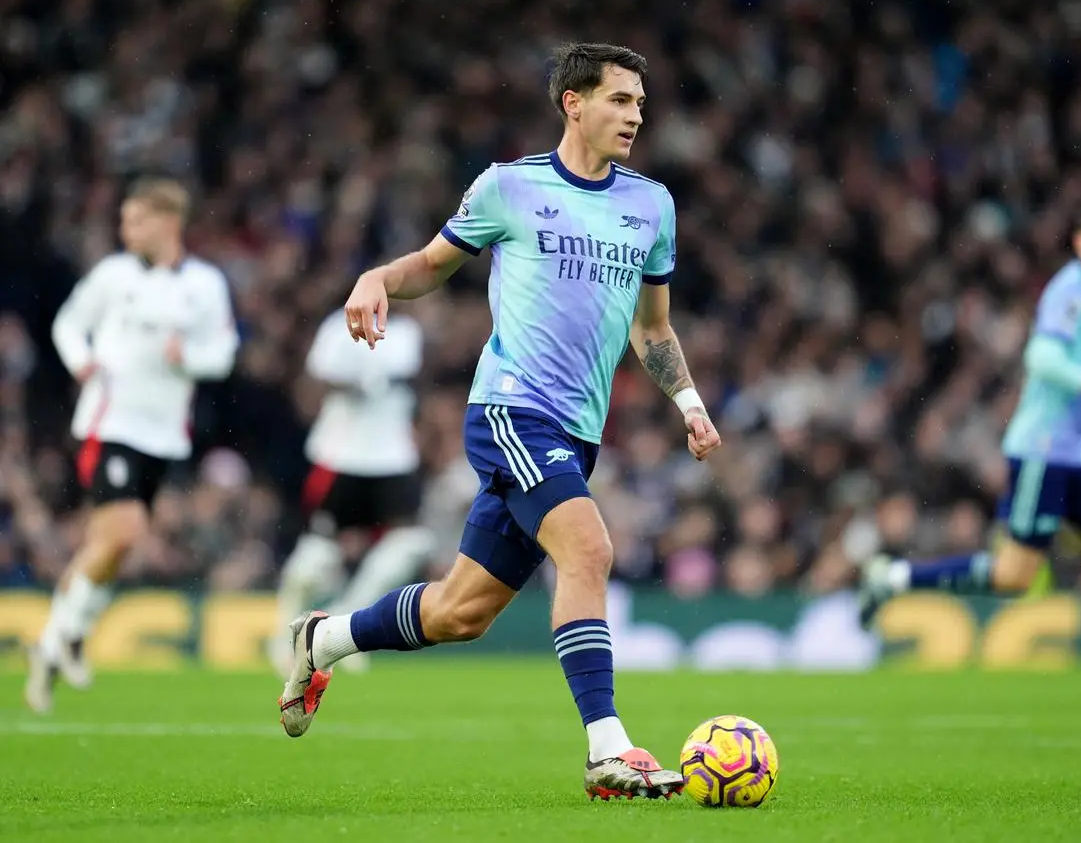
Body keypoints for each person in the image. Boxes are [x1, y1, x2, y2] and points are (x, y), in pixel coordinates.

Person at [276, 42, 722, 799]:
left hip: (578, 432)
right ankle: (607, 750)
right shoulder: (509, 188)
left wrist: (689, 402)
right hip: (512, 410)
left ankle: (322, 639)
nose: (636, 116)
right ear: (573, 103)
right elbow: (431, 264)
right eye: (620, 99)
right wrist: (376, 278)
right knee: (589, 550)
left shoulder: (652, 205)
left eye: (641, 103)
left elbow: (653, 328)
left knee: (462, 612)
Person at [858, 198, 1081, 715]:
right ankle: (893, 578)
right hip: (1043, 454)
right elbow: (1040, 357)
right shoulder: (1071, 292)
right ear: (1080, 241)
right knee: (1013, 577)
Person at [26, 177, 239, 714]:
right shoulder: (113, 275)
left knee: (108, 545)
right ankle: (62, 638)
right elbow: (68, 324)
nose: (126, 230)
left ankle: (61, 639)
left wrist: (187, 357)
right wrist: (82, 361)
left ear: (169, 221)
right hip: (110, 421)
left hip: (164, 434)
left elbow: (223, 352)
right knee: (125, 533)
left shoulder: (205, 284)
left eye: (136, 219)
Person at [269, 308, 435, 677]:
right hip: (340, 453)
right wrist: (352, 381)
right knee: (318, 552)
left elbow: (408, 373)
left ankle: (341, 628)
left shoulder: (406, 330)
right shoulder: (334, 326)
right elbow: (317, 378)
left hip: (392, 455)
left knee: (410, 543)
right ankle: (282, 637)